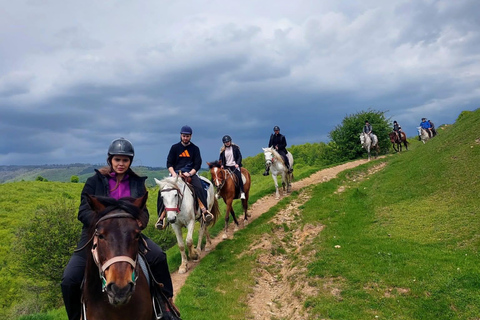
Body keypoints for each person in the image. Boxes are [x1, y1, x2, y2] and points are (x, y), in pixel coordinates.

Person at [61, 138, 175, 320]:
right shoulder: (94, 181)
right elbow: (83, 211)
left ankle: (166, 305)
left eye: (125, 160)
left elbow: (143, 212)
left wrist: (138, 224)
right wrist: (101, 223)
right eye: (117, 160)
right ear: (110, 160)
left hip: (128, 235)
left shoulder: (137, 183)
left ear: (130, 161)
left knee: (158, 256)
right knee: (69, 279)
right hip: (98, 234)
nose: (121, 164)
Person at [156, 125, 213, 229]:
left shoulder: (195, 149)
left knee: (199, 187)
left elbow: (197, 164)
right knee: (162, 191)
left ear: (190, 136)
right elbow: (169, 163)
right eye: (184, 136)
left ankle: (204, 211)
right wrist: (173, 174)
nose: (185, 138)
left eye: (187, 136)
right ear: (181, 136)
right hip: (175, 174)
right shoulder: (174, 148)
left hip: (190, 173)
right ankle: (161, 217)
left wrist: (190, 173)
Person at [219, 135, 245, 199]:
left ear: (230, 141)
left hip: (234, 166)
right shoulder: (223, 150)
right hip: (226, 167)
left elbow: (239, 157)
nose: (227, 143)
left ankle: (242, 192)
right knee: (220, 177)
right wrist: (222, 164)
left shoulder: (235, 148)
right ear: (224, 143)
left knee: (239, 176)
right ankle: (219, 192)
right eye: (226, 142)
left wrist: (237, 164)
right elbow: (221, 159)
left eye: (228, 141)